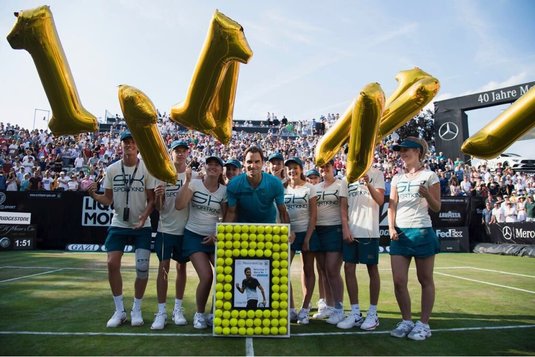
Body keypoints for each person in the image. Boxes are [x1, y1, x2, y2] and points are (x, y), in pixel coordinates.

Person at [87, 130, 156, 328]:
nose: (129, 145)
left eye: (133, 142)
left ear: (138, 146)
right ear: (121, 145)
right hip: (119, 223)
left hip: (142, 225)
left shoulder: (146, 169)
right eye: (126, 142)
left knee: (142, 269)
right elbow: (107, 199)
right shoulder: (112, 169)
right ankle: (119, 310)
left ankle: (137, 309)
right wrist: (94, 196)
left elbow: (152, 199)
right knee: (111, 263)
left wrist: (144, 217)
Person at [388, 137, 441, 341]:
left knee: (425, 279)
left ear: (418, 151)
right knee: (399, 281)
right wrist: (391, 227)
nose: (402, 153)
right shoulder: (396, 178)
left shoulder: (430, 176)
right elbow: (392, 205)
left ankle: (424, 324)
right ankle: (407, 321)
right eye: (400, 150)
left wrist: (427, 195)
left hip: (422, 232)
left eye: (406, 150)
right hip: (399, 234)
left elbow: (437, 207)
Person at [175, 156, 227, 329]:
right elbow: (179, 205)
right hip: (193, 236)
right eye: (209, 164)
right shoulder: (195, 184)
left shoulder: (224, 191)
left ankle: (214, 313)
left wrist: (215, 234)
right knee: (207, 276)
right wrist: (187, 181)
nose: (213, 167)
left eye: (216, 165)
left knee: (224, 275)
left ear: (221, 170)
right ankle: (199, 314)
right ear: (205, 167)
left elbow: (226, 217)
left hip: (214, 238)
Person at [337, 165, 385, 330]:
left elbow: (380, 200)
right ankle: (355, 312)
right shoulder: (346, 179)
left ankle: (373, 313)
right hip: (352, 230)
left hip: (370, 231)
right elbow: (343, 207)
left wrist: (367, 183)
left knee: (372, 269)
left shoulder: (377, 174)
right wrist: (345, 228)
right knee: (349, 268)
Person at [150, 140, 190, 330]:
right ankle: (161, 312)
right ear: (171, 154)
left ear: (187, 154)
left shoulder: (193, 176)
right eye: (177, 151)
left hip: (185, 231)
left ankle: (178, 309)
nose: (180, 154)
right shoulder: (163, 175)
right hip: (165, 230)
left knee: (181, 269)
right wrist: (158, 196)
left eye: (183, 151)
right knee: (163, 269)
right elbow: (158, 208)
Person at [284, 157, 318, 325]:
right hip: (288, 234)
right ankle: (291, 309)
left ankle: (305, 309)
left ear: (301, 169)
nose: (292, 171)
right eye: (289, 168)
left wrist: (308, 237)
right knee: (283, 270)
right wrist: (288, 230)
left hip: (307, 232)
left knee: (308, 270)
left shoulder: (309, 188)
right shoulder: (282, 188)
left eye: (295, 167)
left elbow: (313, 215)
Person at [312, 161, 345, 325]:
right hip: (319, 231)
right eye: (322, 167)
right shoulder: (316, 188)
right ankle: (329, 306)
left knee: (333, 270)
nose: (324, 170)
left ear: (334, 168)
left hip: (335, 230)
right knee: (323, 271)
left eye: (327, 167)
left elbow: (345, 209)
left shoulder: (341, 185)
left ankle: (339, 308)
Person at [224, 146, 291, 225]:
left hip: (268, 228)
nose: (253, 165)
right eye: (249, 162)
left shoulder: (275, 183)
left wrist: (289, 231)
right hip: (243, 229)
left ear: (262, 163)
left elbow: (282, 212)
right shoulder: (234, 184)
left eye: (257, 162)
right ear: (244, 163)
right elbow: (231, 212)